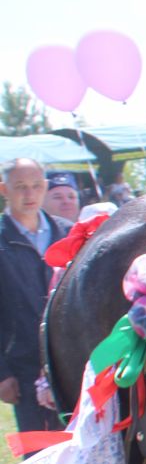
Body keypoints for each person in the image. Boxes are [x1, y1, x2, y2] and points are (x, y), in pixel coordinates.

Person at [0, 158, 74, 432]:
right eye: (20, 187)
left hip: (73, 358)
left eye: (35, 186)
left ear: (44, 187)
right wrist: (2, 375)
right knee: (42, 454)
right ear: (4, 190)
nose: (29, 194)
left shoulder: (68, 233)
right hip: (25, 368)